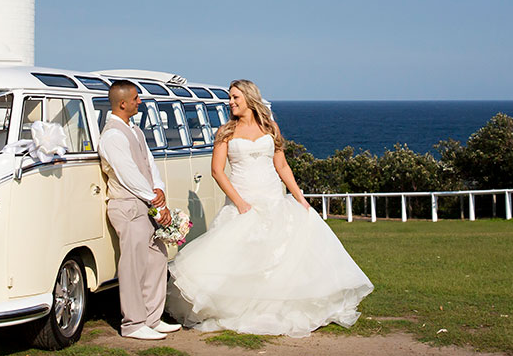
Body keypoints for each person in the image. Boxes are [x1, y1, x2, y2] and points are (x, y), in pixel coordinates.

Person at [166, 79, 373, 337]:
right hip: (243, 201)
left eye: (235, 98)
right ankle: (238, 308)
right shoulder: (225, 132)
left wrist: (300, 198)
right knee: (241, 255)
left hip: (273, 197)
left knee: (281, 253)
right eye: (230, 98)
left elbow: (282, 166)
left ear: (249, 99)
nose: (230, 103)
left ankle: (275, 308)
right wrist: (240, 203)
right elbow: (217, 172)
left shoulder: (270, 127)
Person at [99, 80, 182, 340]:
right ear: (123, 103)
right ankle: (133, 323)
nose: (140, 102)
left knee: (157, 257)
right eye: (136, 98)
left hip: (144, 203)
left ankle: (152, 318)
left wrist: (158, 188)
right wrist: (154, 199)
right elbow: (127, 174)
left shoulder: (133, 130)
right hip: (128, 204)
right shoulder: (112, 135)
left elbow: (149, 163)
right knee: (132, 264)